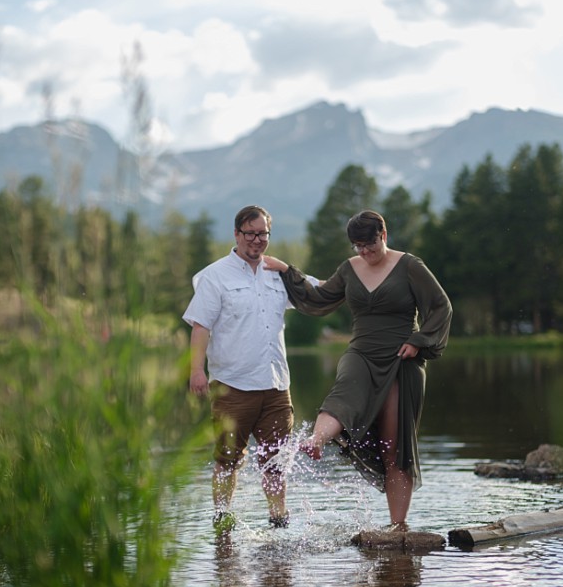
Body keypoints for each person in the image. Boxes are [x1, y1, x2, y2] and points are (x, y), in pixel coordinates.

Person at [262, 210, 452, 527]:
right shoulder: (349, 269)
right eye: (357, 246)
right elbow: (318, 296)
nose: (364, 252)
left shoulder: (410, 266)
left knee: (395, 448)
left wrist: (419, 340)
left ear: (384, 236)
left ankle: (396, 527)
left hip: (401, 360)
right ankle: (316, 441)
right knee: (344, 391)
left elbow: (441, 306)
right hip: (361, 351)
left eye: (369, 244)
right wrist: (286, 270)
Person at [183, 205, 309, 533]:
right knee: (227, 458)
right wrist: (196, 370)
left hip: (276, 385)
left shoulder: (278, 275)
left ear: (269, 234)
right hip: (232, 386)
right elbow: (200, 327)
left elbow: (317, 292)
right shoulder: (215, 276)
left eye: (262, 233)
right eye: (250, 233)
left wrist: (286, 267)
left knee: (276, 460)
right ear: (237, 234)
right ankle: (222, 518)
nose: (256, 240)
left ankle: (278, 519)